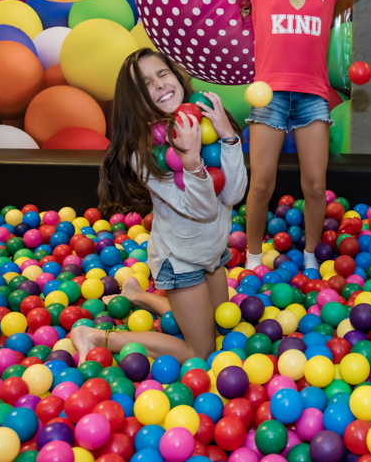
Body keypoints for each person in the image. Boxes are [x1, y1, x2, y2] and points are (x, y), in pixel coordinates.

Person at [162, 0, 371, 273]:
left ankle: (311, 255)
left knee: (314, 186)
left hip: (312, 97)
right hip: (269, 97)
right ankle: (252, 258)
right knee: (261, 184)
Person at [70, 48, 247, 363]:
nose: (160, 84)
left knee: (221, 326)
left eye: (163, 74)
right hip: (180, 261)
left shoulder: (204, 125)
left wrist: (228, 137)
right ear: (136, 100)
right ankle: (96, 336)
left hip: (212, 250)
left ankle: (137, 295)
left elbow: (233, 195)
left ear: (176, 76)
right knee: (202, 351)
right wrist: (191, 161)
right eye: (146, 84)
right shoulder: (144, 153)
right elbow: (204, 210)